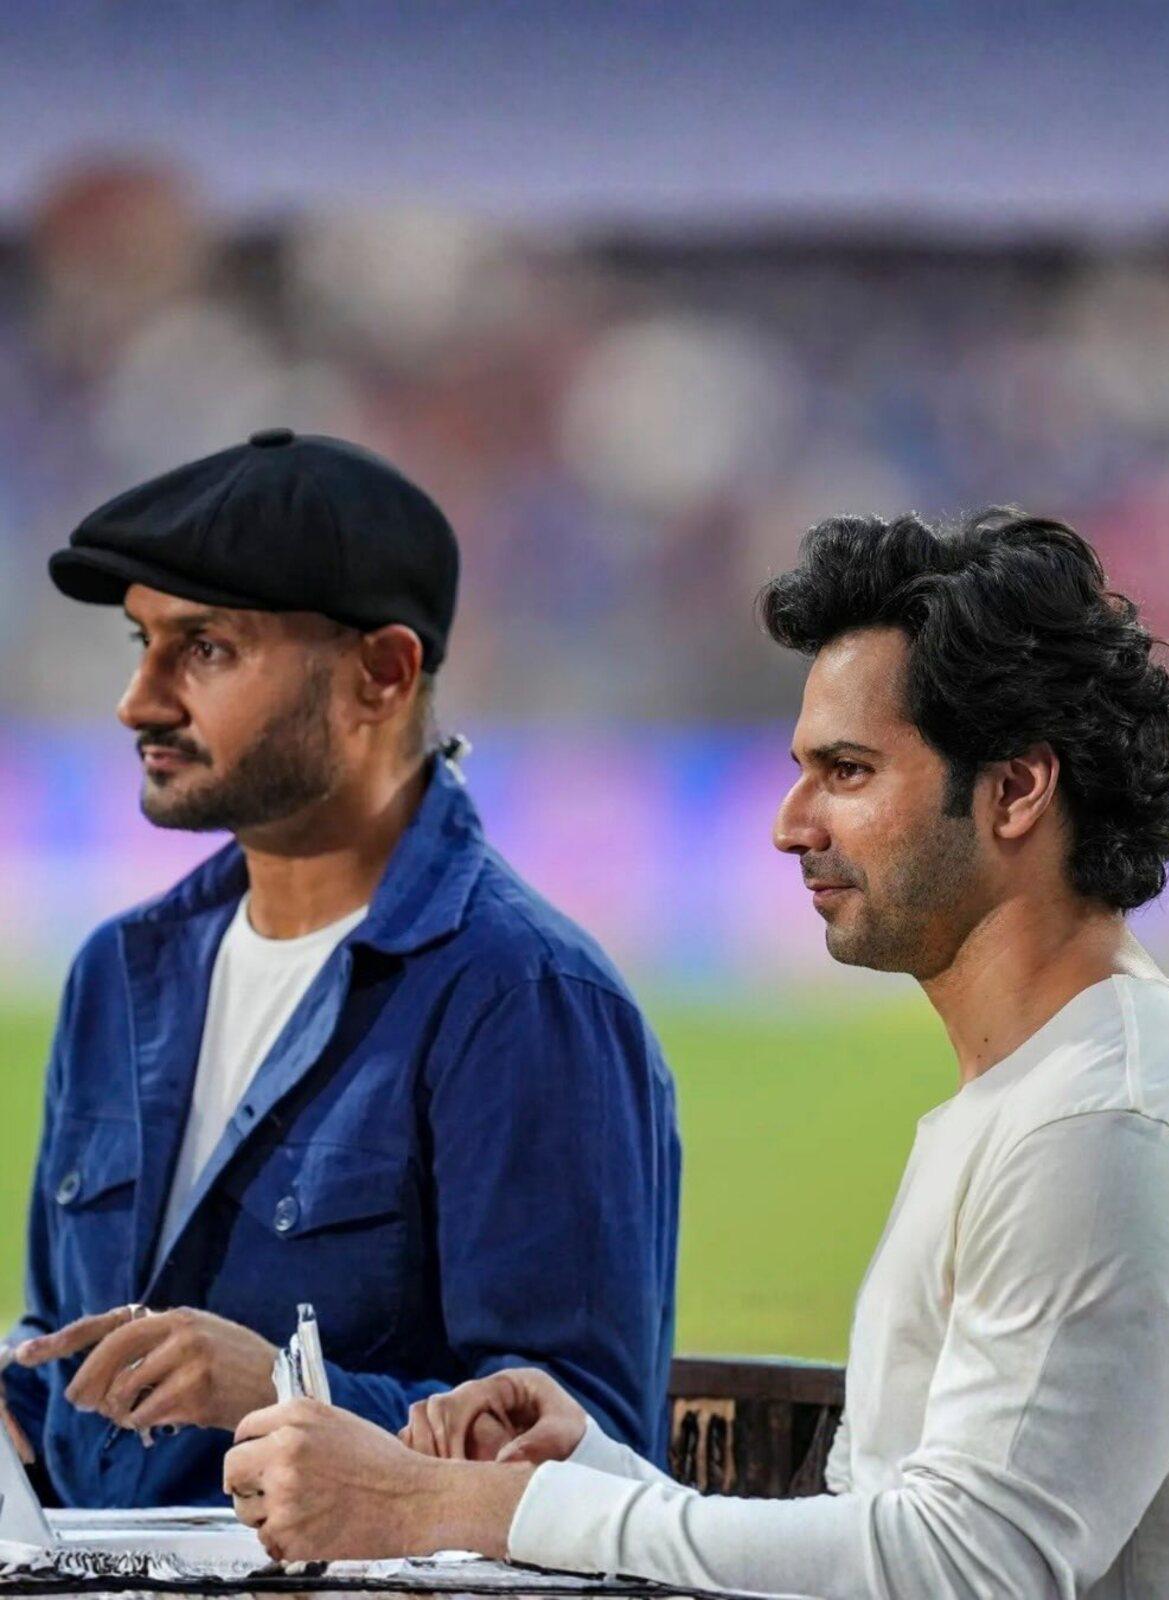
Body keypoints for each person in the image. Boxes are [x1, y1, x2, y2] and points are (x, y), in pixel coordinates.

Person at [225, 509, 1169, 1598]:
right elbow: (890, 1532)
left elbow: (969, 1566)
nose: (788, 822)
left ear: (1015, 789)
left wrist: (466, 1507)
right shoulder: (1048, 1087)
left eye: (848, 770)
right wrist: (582, 1468)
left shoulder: (1105, 1125)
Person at [0, 429, 680, 1510]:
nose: (140, 698)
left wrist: (273, 1386)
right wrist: (22, 1396)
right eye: (142, 642)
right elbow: (68, 1372)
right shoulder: (115, 977)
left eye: (206, 648)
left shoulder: (520, 997)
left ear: (382, 673)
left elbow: (589, 1459)